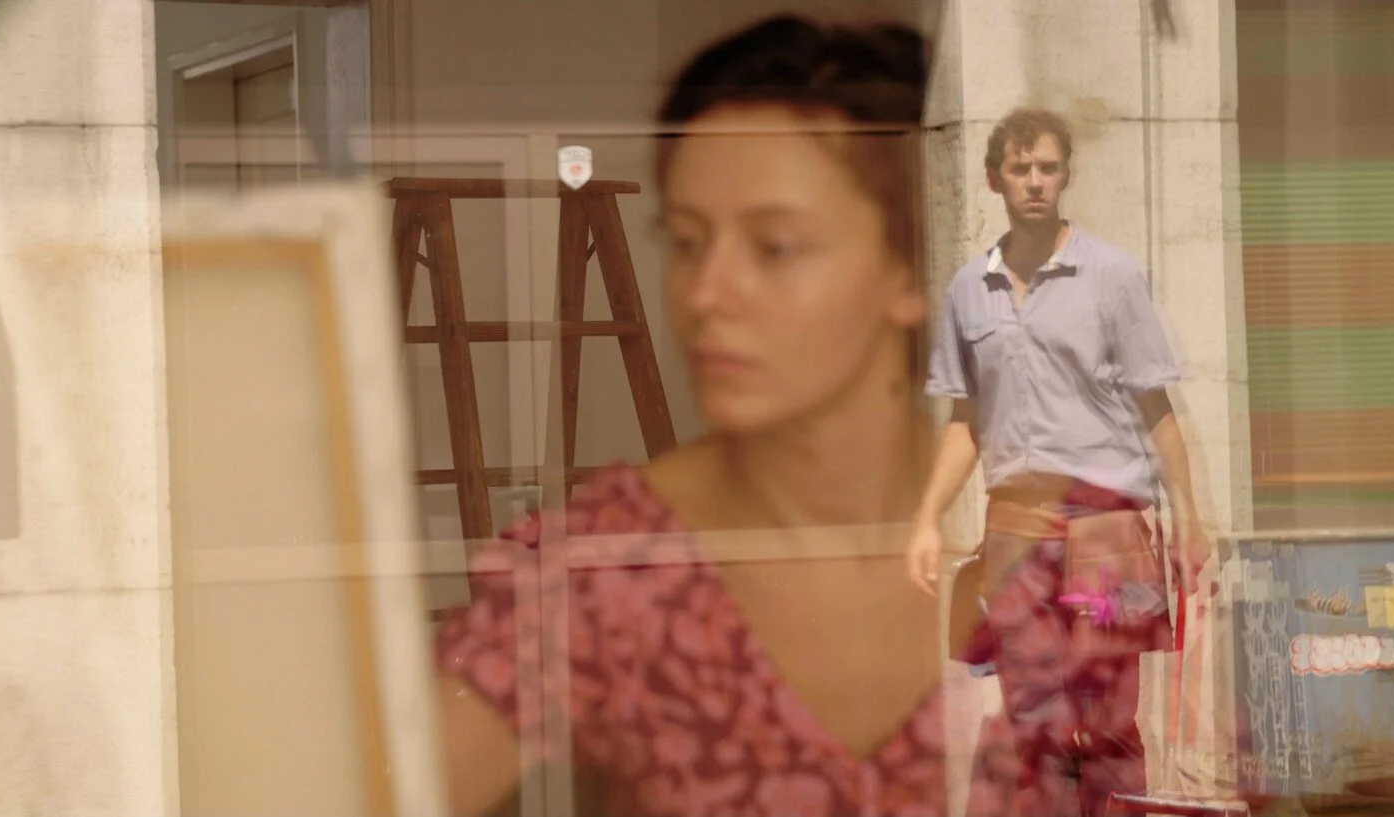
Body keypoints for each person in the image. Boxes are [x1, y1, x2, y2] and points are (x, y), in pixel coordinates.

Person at [430, 16, 1018, 817]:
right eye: (688, 241)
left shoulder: (1019, 499)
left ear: (908, 266)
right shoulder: (615, 558)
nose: (706, 295)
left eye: (774, 246)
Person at [904, 107, 1210, 816]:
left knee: (1105, 725)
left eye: (1046, 167)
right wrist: (924, 519)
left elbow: (1155, 410)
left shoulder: (1114, 276)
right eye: (1019, 169)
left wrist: (1192, 520)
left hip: (1109, 536)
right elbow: (964, 423)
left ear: (1065, 174)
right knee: (1032, 724)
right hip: (1016, 534)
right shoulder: (965, 291)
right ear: (993, 179)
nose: (1034, 181)